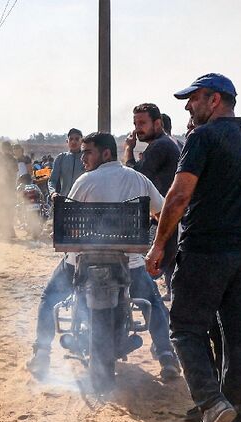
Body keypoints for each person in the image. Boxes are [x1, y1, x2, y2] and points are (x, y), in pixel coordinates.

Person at [146, 73, 241, 422]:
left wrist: (158, 247)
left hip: (205, 252)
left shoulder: (201, 138)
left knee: (185, 329)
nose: (188, 106)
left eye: (193, 99)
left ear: (215, 99)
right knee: (240, 345)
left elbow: (177, 197)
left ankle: (210, 402)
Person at [27, 132, 181, 380]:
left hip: (81, 262)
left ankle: (42, 354)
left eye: (88, 152)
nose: (83, 158)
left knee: (49, 297)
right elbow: (162, 211)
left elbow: (68, 220)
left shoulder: (85, 181)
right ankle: (166, 356)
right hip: (128, 263)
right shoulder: (139, 179)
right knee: (153, 302)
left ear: (106, 153)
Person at [123, 103, 182, 301]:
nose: (138, 128)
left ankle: (157, 320)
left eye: (142, 123)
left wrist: (128, 150)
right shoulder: (166, 144)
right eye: (135, 123)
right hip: (167, 215)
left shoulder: (160, 146)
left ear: (157, 123)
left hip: (166, 216)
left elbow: (134, 177)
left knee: (145, 272)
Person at [48, 128, 85, 197]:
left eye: (77, 139)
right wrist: (53, 193)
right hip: (64, 200)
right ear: (67, 141)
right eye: (71, 139)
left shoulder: (86, 158)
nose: (73, 142)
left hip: (82, 201)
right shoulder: (61, 158)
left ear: (82, 141)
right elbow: (52, 180)